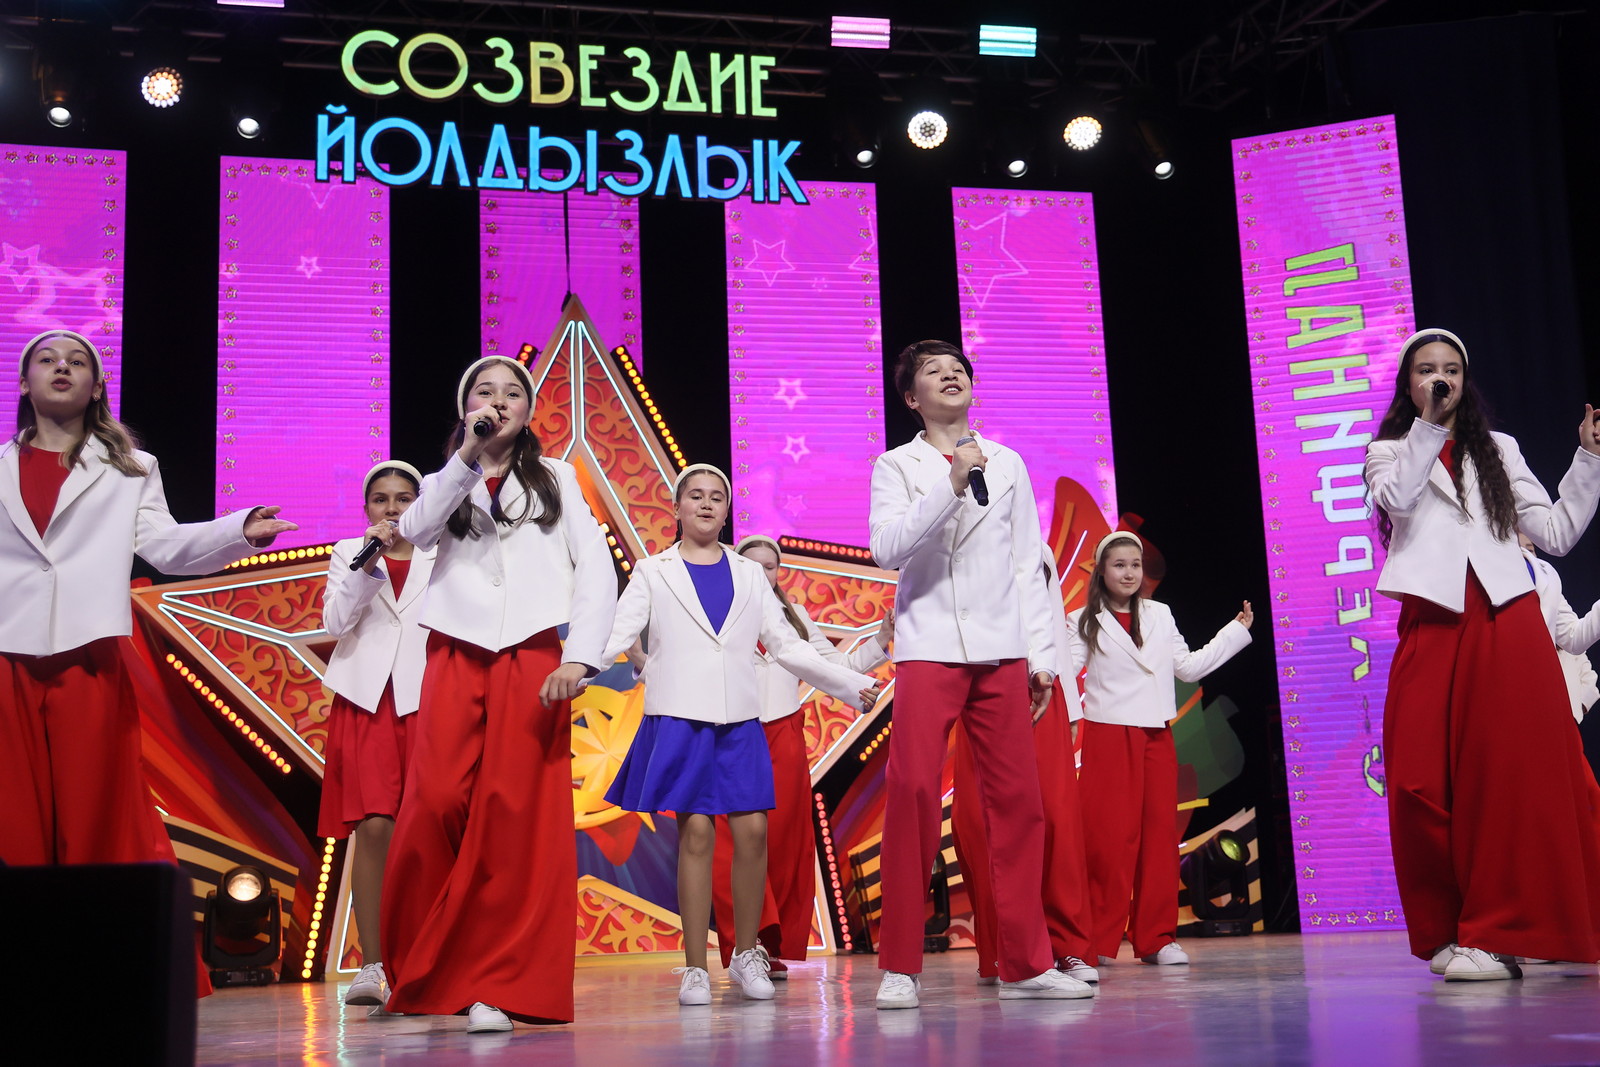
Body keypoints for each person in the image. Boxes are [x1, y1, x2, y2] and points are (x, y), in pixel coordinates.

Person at [0, 330, 295, 993]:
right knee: (12, 815)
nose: (62, 368)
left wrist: (238, 530)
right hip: (7, 656)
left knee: (98, 808)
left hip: (88, 655)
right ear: (23, 382)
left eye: (77, 361)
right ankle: (26, 968)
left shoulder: (130, 467)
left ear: (96, 386)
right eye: (46, 359)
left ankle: (108, 967)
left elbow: (165, 547)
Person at [380, 356, 616, 1032]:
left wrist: (580, 656)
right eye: (485, 392)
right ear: (467, 408)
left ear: (529, 410)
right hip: (455, 650)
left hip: (531, 657)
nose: (500, 401)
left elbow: (595, 570)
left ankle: (497, 980)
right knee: (435, 801)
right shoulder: (444, 480)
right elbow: (415, 531)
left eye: (514, 393)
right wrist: (466, 454)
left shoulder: (558, 478)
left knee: (515, 815)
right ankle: (423, 961)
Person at [1366, 327, 1600, 981]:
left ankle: (1496, 934)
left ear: (1465, 382)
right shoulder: (1388, 451)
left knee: (1504, 780)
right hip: (1433, 618)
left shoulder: (1500, 448)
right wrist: (1428, 427)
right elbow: (1398, 502)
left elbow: (1555, 531)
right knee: (1416, 780)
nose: (1439, 379)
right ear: (1409, 384)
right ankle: (1448, 924)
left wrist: (1588, 460)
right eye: (1426, 370)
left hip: (1505, 617)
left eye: (1451, 370)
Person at [600, 466, 882, 1006]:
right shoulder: (653, 571)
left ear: (727, 512)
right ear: (677, 508)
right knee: (698, 836)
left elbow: (787, 644)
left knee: (753, 833)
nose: (706, 505)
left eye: (716, 498)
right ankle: (694, 968)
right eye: (695, 496)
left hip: (740, 721)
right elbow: (617, 630)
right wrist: (577, 667)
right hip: (682, 718)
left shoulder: (750, 575)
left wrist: (849, 685)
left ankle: (747, 954)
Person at [868, 339, 1093, 1009]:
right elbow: (887, 548)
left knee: (1019, 803)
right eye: (933, 371)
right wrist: (951, 482)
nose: (951, 375)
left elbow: (1028, 563)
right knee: (912, 790)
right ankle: (900, 966)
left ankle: (1026, 962)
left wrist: (1043, 659)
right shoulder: (896, 464)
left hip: (1002, 646)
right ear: (912, 398)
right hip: (930, 641)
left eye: (958, 368)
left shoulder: (1009, 461)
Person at [708, 533, 893, 980]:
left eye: (770, 567)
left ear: (778, 573)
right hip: (732, 735)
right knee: (733, 844)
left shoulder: (796, 620)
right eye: (753, 565)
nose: (762, 573)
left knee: (783, 843)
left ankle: (768, 947)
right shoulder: (717, 615)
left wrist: (882, 640)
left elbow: (836, 668)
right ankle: (743, 945)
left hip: (785, 737)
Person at [1067, 531, 1251, 969]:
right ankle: (1098, 939)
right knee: (1108, 841)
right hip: (1109, 736)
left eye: (1135, 565)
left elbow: (1187, 667)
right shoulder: (1082, 619)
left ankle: (1157, 938)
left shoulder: (1160, 614)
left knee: (1159, 838)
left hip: (1155, 735)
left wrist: (1234, 633)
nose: (1129, 573)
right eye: (1119, 565)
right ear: (1101, 571)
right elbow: (1064, 672)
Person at [317, 460, 434, 1011]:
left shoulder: (443, 552)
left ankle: (430, 959)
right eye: (381, 499)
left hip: (429, 701)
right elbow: (335, 623)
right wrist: (366, 566)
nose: (392, 508)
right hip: (369, 702)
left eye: (404, 498)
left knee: (431, 827)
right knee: (374, 825)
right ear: (367, 508)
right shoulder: (350, 553)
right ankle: (374, 964)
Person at [952, 548, 1099, 985]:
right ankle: (1005, 950)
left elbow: (1050, 625)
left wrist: (1071, 708)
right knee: (983, 822)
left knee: (1056, 820)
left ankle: (1067, 946)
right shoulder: (962, 541)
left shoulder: (1039, 550)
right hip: (980, 688)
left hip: (1042, 690)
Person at [1519, 533, 1600, 722]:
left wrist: (1576, 708)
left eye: (1530, 550)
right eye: (1519, 550)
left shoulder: (1548, 585)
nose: (1526, 557)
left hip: (1559, 714)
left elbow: (1575, 638)